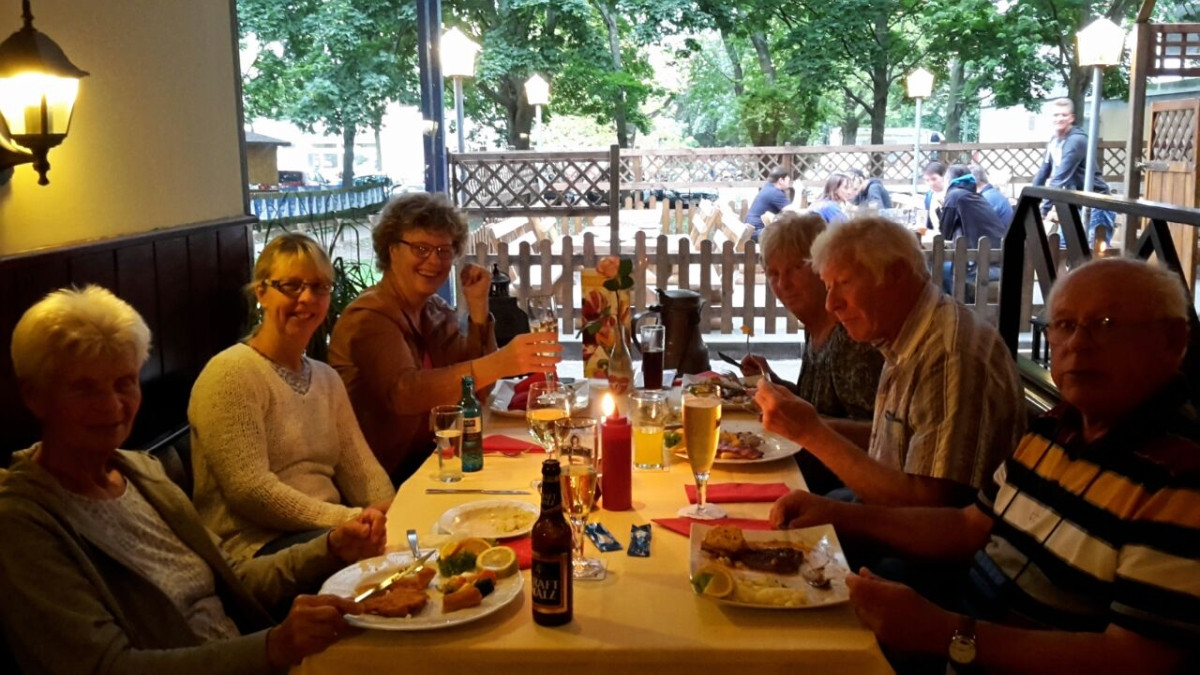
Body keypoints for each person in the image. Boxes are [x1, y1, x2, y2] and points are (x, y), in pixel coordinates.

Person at [771, 258, 1198, 674]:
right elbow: (969, 526)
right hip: (961, 618)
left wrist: (944, 632)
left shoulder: (1181, 475)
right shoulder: (1056, 427)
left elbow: (1137, 658)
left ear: (1172, 340)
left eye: (1105, 324)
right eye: (1065, 325)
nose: (1077, 344)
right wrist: (839, 515)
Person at [0, 285, 381, 673]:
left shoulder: (141, 473)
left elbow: (234, 577)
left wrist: (330, 547)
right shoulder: (22, 522)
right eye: (84, 389)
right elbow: (107, 667)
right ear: (35, 396)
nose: (111, 405)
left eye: (124, 382)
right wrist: (273, 647)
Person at [755, 217, 1024, 507]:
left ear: (897, 273)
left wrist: (812, 432)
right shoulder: (902, 337)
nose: (831, 304)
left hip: (912, 530)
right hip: (883, 509)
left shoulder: (949, 355)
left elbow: (927, 511)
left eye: (844, 283)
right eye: (828, 286)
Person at [329, 192, 561, 485]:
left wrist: (478, 308)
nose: (434, 260)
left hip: (439, 461)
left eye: (444, 250)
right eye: (421, 248)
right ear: (391, 249)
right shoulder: (368, 317)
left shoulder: (434, 310)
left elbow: (478, 391)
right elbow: (404, 393)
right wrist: (501, 362)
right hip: (386, 479)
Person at [190, 233, 395, 560]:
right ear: (262, 293)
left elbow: (363, 472)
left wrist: (391, 515)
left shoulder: (325, 377)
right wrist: (348, 519)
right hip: (257, 549)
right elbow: (251, 492)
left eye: (319, 287)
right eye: (291, 286)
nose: (307, 298)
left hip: (327, 535)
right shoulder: (230, 372)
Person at [739, 212, 885, 494]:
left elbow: (879, 435)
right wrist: (775, 384)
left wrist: (807, 426)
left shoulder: (850, 337)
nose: (783, 284)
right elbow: (818, 405)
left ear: (823, 268)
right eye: (773, 273)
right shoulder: (815, 326)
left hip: (843, 489)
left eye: (795, 269)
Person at [1032, 97, 1116, 246]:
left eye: (1064, 115)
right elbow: (1043, 173)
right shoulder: (1054, 142)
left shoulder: (1076, 141)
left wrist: (1043, 210)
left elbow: (1060, 178)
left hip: (1097, 205)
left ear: (1071, 118)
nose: (1059, 118)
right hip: (1076, 205)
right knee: (1063, 248)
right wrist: (1030, 202)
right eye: (1056, 115)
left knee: (1093, 253)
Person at [939, 164, 1010, 295]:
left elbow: (944, 233)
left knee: (940, 269)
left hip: (985, 267)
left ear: (948, 180)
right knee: (947, 267)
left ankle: (953, 306)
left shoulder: (954, 195)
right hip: (1002, 262)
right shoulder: (976, 196)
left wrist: (940, 208)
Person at [745, 167, 793, 241]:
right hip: (759, 232)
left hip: (751, 231)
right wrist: (799, 191)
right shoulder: (775, 192)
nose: (789, 184)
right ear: (781, 180)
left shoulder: (767, 188)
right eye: (788, 181)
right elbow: (793, 212)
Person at [922, 161, 948, 232]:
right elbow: (927, 223)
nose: (931, 183)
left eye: (934, 179)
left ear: (943, 177)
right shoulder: (929, 196)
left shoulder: (952, 195)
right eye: (927, 180)